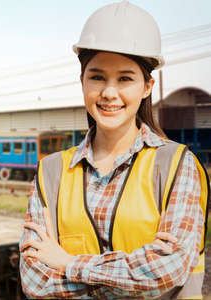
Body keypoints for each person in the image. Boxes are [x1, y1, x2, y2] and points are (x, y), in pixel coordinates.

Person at [19, 1, 209, 299]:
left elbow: (169, 268)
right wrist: (133, 278)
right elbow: (36, 282)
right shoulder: (51, 171)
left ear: (147, 86)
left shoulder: (176, 164)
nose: (109, 93)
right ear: (81, 81)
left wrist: (68, 263)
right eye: (97, 77)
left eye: (125, 78)